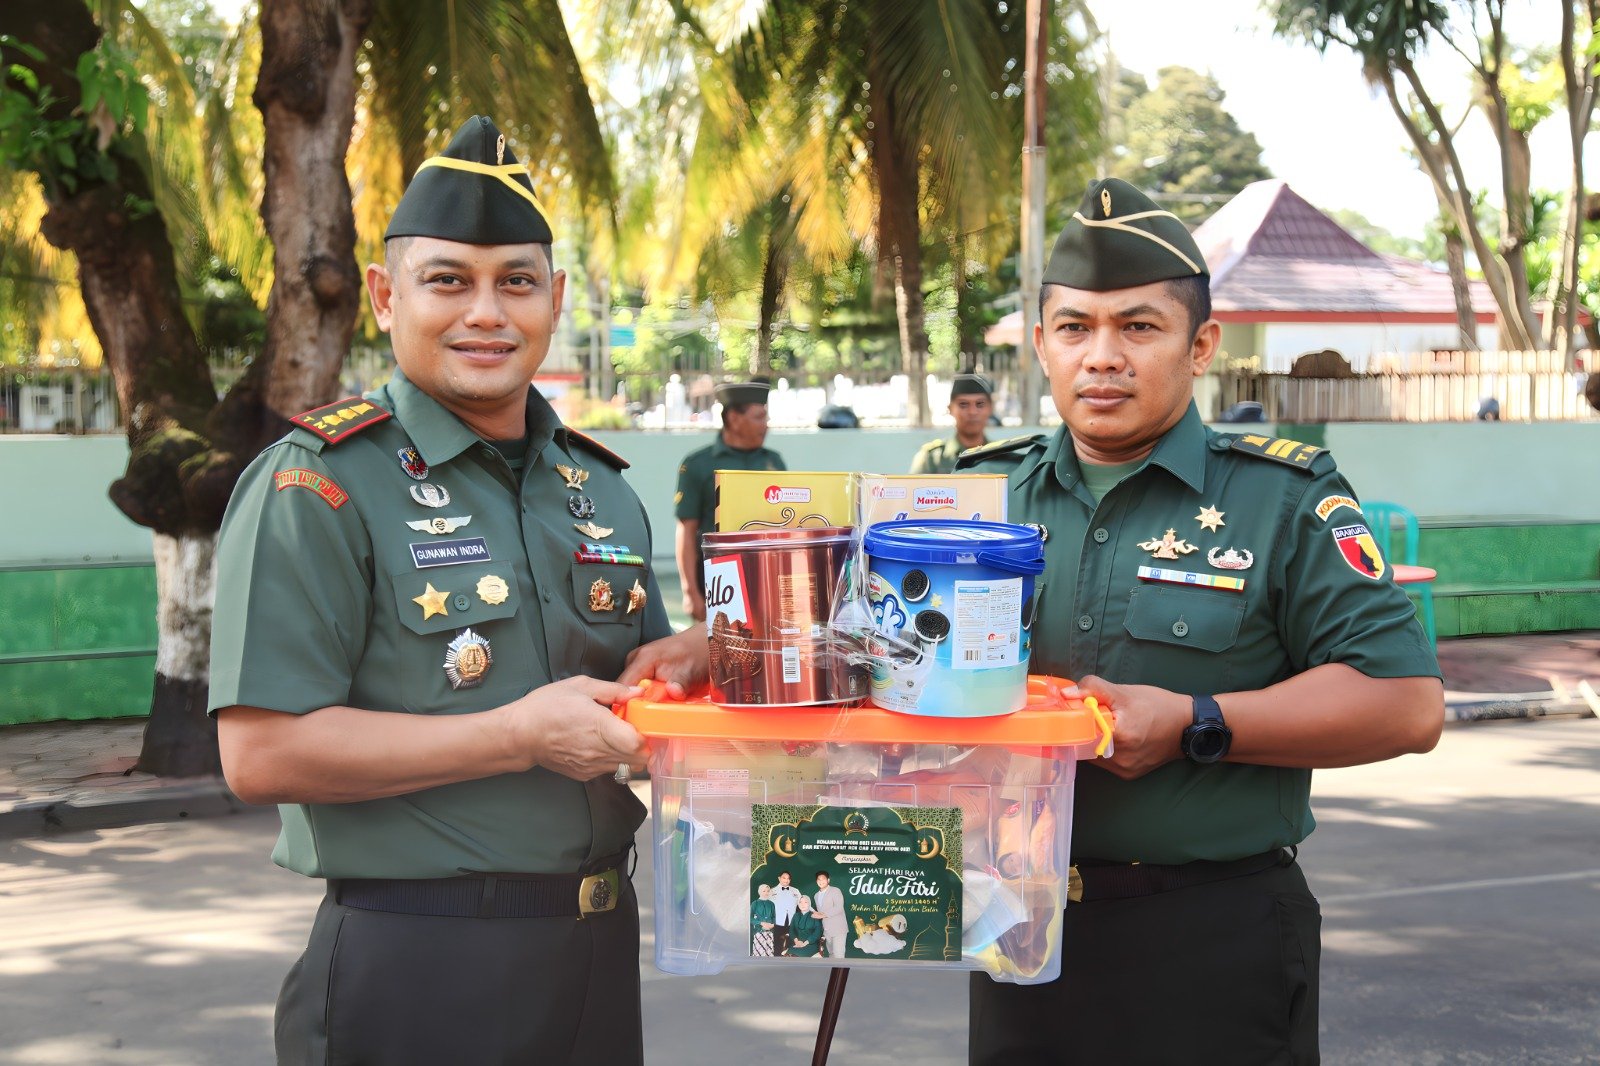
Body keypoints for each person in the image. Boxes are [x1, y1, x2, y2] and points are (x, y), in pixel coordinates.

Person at [208, 115, 707, 1066]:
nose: (487, 313)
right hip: (417, 964)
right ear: (385, 296)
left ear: (556, 298)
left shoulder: (597, 488)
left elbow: (619, 701)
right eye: (448, 281)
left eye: (516, 281)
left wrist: (689, 663)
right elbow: (261, 753)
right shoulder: (318, 483)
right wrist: (517, 736)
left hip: (598, 950)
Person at [957, 177, 1444, 1065]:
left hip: (1214, 937)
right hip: (1015, 927)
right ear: (1041, 344)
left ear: (1202, 345)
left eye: (1139, 327)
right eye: (1075, 328)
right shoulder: (974, 501)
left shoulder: (1282, 498)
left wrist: (1196, 722)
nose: (1103, 357)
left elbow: (1404, 704)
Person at [673, 380, 786, 620]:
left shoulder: (774, 462)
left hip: (765, 574)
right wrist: (690, 592)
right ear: (734, 418)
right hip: (717, 577)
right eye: (759, 417)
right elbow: (686, 530)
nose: (765, 425)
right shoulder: (698, 464)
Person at [909, 373, 995, 474]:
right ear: (950, 409)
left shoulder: (1003, 457)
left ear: (991, 408)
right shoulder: (931, 459)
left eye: (980, 404)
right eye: (963, 404)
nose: (972, 412)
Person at [812, 869, 847, 959]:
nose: (821, 881)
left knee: (839, 955)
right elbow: (821, 912)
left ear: (828, 880)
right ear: (816, 881)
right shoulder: (816, 895)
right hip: (827, 930)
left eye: (823, 879)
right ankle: (833, 969)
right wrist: (816, 914)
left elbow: (839, 907)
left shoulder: (835, 891)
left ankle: (841, 969)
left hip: (838, 928)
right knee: (831, 954)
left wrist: (821, 915)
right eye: (819, 879)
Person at [769, 869, 802, 955]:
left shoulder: (795, 891)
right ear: (779, 878)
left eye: (788, 878)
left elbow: (804, 903)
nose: (786, 880)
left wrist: (814, 912)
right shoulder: (772, 891)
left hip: (792, 923)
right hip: (777, 923)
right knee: (777, 947)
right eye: (784, 878)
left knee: (791, 948)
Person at [751, 883, 776, 956]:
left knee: (769, 953)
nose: (766, 893)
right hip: (759, 932)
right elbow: (750, 918)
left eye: (768, 891)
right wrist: (761, 923)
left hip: (770, 933)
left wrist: (772, 925)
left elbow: (774, 917)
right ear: (759, 891)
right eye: (764, 891)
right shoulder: (755, 903)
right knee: (759, 954)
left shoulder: (771, 904)